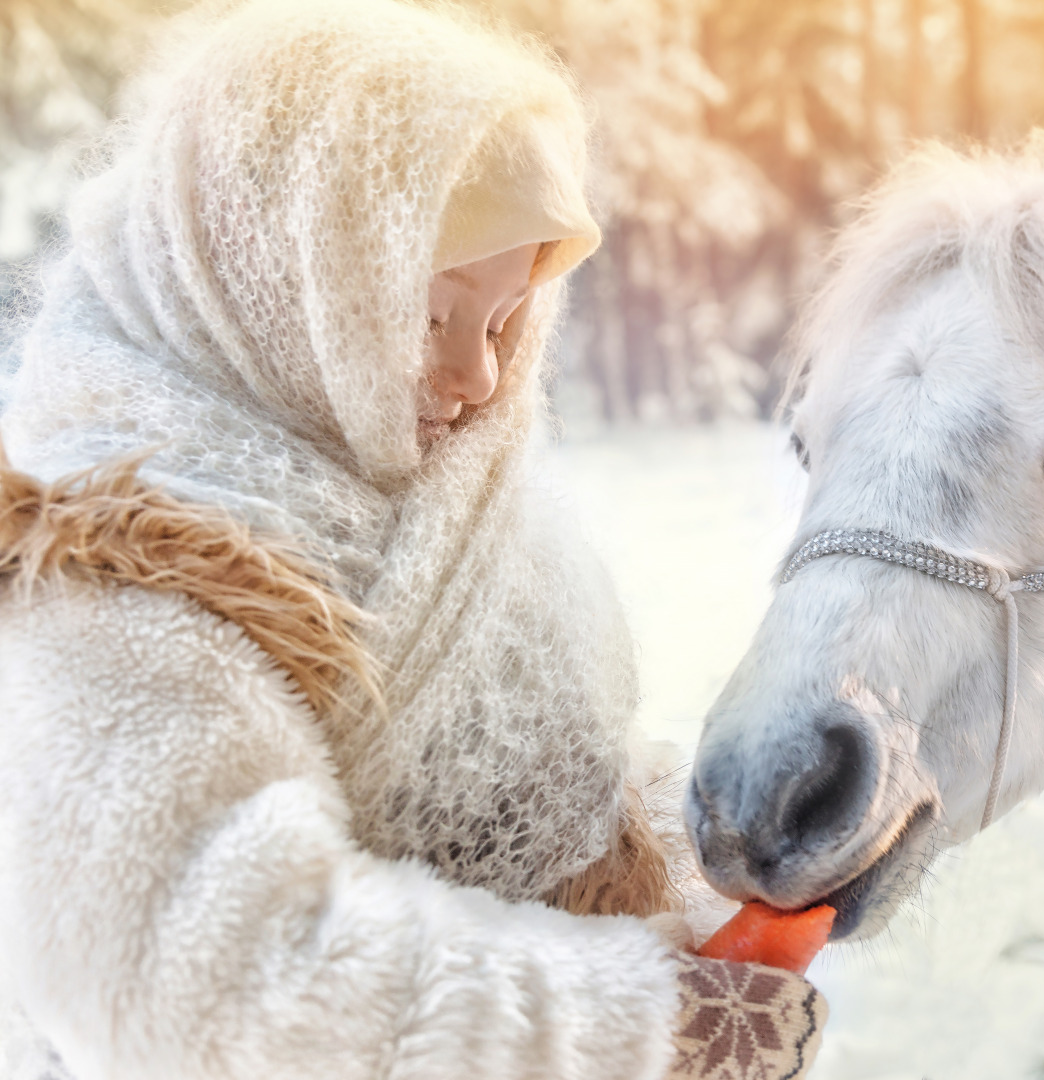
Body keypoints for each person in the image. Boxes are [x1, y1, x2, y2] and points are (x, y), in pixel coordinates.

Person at [0, 1, 825, 1077]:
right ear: (279, 273)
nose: (479, 379)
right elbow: (210, 980)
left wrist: (739, 847)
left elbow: (545, 802)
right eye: (430, 316)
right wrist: (647, 1024)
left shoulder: (423, 507)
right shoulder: (109, 574)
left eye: (502, 322)